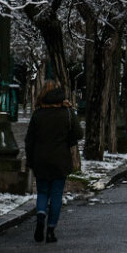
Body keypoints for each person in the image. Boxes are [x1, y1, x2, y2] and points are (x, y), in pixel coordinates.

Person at [26, 80, 83, 244]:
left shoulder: (37, 114)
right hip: (60, 160)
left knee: (42, 192)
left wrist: (30, 160)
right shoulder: (66, 113)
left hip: (41, 160)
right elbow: (78, 134)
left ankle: (41, 215)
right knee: (57, 195)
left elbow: (29, 140)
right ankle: (50, 231)